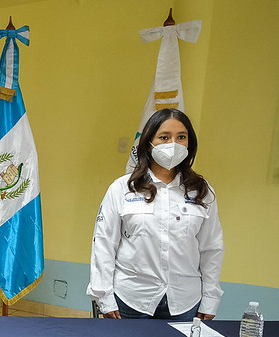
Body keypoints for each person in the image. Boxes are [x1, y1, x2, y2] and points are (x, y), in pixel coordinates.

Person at [87, 108, 224, 320]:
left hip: (185, 301)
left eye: (181, 137)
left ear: (189, 143)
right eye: (164, 137)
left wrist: (210, 299)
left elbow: (211, 248)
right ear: (149, 142)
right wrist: (103, 296)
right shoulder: (122, 188)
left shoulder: (201, 191)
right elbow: (104, 243)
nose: (173, 144)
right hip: (130, 299)